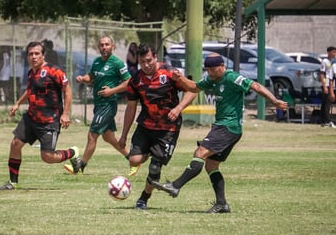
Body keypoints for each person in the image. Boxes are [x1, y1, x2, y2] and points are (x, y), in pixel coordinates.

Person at [151, 53, 288, 213]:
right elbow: (193, 87)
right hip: (224, 127)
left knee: (200, 152)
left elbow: (256, 86)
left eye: (212, 70)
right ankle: (222, 204)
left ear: (221, 66)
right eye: (207, 70)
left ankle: (175, 186)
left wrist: (274, 101)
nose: (209, 73)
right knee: (211, 165)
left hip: (228, 127)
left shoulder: (232, 78)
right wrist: (179, 78)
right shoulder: (212, 79)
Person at [118, 43, 197, 210]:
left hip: (168, 129)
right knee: (134, 160)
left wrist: (178, 108)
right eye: (142, 62)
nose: (146, 65)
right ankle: (149, 153)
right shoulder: (136, 80)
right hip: (146, 126)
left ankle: (143, 199)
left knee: (155, 167)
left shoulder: (169, 73)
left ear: (155, 57)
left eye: (149, 61)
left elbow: (192, 90)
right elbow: (131, 107)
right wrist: (124, 135)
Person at [0, 41, 80, 190]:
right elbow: (30, 91)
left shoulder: (54, 71)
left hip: (49, 121)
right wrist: (17, 103)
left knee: (47, 157)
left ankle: (73, 153)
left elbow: (67, 91)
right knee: (15, 144)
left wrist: (66, 114)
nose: (33, 57)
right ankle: (12, 182)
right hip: (31, 118)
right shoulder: (31, 73)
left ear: (43, 55)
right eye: (31, 54)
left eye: (37, 54)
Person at [63, 36, 136, 175]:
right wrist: (83, 79)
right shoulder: (96, 62)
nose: (104, 47)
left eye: (107, 44)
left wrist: (112, 91)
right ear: (99, 47)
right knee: (108, 137)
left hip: (108, 104)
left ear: (112, 46)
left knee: (92, 135)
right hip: (99, 104)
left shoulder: (117, 63)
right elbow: (92, 76)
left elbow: (129, 82)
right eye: (102, 45)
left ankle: (80, 166)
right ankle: (133, 160)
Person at [319, 46, 336, 127]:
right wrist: (324, 86)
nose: (334, 54)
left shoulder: (330, 61)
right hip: (326, 84)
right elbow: (322, 74)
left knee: (325, 103)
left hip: (329, 84)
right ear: (329, 52)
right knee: (327, 103)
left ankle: (323, 121)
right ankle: (327, 120)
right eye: (333, 52)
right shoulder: (325, 61)